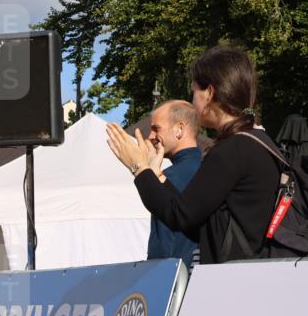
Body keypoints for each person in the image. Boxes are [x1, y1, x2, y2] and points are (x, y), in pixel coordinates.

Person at [106, 45, 279, 264]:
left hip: (232, 283)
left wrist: (139, 168)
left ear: (210, 93)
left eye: (194, 91)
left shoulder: (232, 149)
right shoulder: (259, 143)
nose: (192, 101)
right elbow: (194, 218)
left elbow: (179, 216)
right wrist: (156, 174)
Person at [143, 100, 203, 269]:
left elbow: (163, 247)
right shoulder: (210, 170)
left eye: (156, 128)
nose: (151, 136)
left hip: (174, 279)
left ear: (179, 129)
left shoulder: (169, 178)